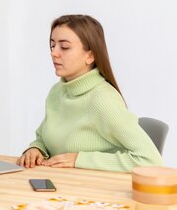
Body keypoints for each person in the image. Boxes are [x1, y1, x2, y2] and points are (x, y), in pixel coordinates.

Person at [17, 14, 163, 172]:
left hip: (97, 191)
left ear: (91, 55)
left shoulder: (103, 100)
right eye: (53, 45)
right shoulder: (57, 91)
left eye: (64, 47)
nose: (54, 53)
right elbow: (44, 137)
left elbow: (150, 160)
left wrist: (80, 159)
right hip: (63, 184)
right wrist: (36, 149)